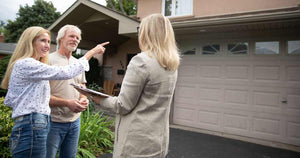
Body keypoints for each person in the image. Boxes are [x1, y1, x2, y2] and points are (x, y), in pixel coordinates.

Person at [77, 14, 180, 158]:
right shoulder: (171, 64)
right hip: (158, 140)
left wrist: (94, 96)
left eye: (140, 29)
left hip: (136, 143)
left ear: (146, 33)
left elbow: (122, 105)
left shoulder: (141, 61)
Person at [1, 26, 109, 158]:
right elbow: (66, 72)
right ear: (30, 41)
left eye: (48, 42)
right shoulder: (28, 64)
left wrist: (83, 97)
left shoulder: (35, 63)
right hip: (36, 123)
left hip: (44, 122)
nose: (47, 46)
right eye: (43, 41)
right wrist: (91, 52)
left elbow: (36, 96)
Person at [46, 25, 93, 158]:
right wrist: (67, 103)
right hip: (52, 121)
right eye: (71, 36)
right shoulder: (47, 60)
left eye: (78, 38)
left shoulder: (79, 63)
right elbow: (40, 95)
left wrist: (83, 98)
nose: (75, 40)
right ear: (61, 38)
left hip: (74, 122)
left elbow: (82, 85)